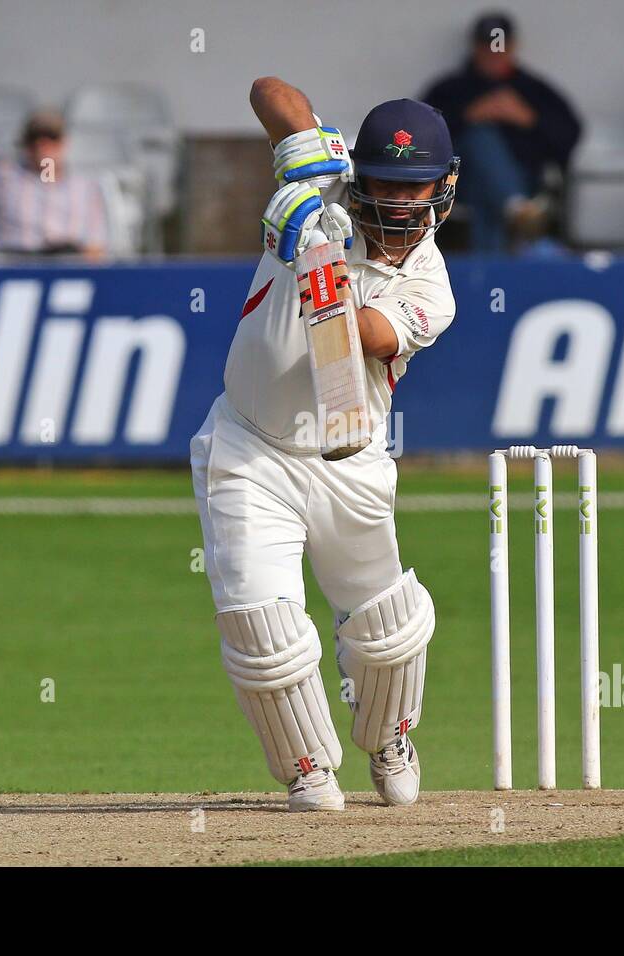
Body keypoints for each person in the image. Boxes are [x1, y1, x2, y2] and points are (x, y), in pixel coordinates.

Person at [189, 77, 458, 811]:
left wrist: (319, 261)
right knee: (262, 625)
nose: (400, 202)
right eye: (384, 184)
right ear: (360, 175)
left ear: (445, 185)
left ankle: (391, 736)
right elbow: (268, 91)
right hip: (248, 448)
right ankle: (308, 765)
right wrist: (301, 175)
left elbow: (362, 337)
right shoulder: (327, 194)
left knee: (388, 632)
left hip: (348, 458)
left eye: (417, 186)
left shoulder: (431, 288)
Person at [422, 11, 581, 252]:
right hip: (457, 183)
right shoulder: (451, 90)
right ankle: (517, 210)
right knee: (480, 138)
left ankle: (509, 217)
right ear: (475, 47)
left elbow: (569, 136)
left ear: (513, 46)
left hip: (523, 180)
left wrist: (529, 119)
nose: (493, 53)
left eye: (500, 46)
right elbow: (422, 136)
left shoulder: (533, 90)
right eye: (486, 46)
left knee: (485, 195)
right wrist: (468, 116)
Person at [0, 110, 108, 259]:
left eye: (52, 138)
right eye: (35, 139)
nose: (43, 146)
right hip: (10, 264)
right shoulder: (1, 178)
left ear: (64, 143)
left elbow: (96, 246)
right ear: (26, 144)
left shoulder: (85, 188)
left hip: (66, 266)